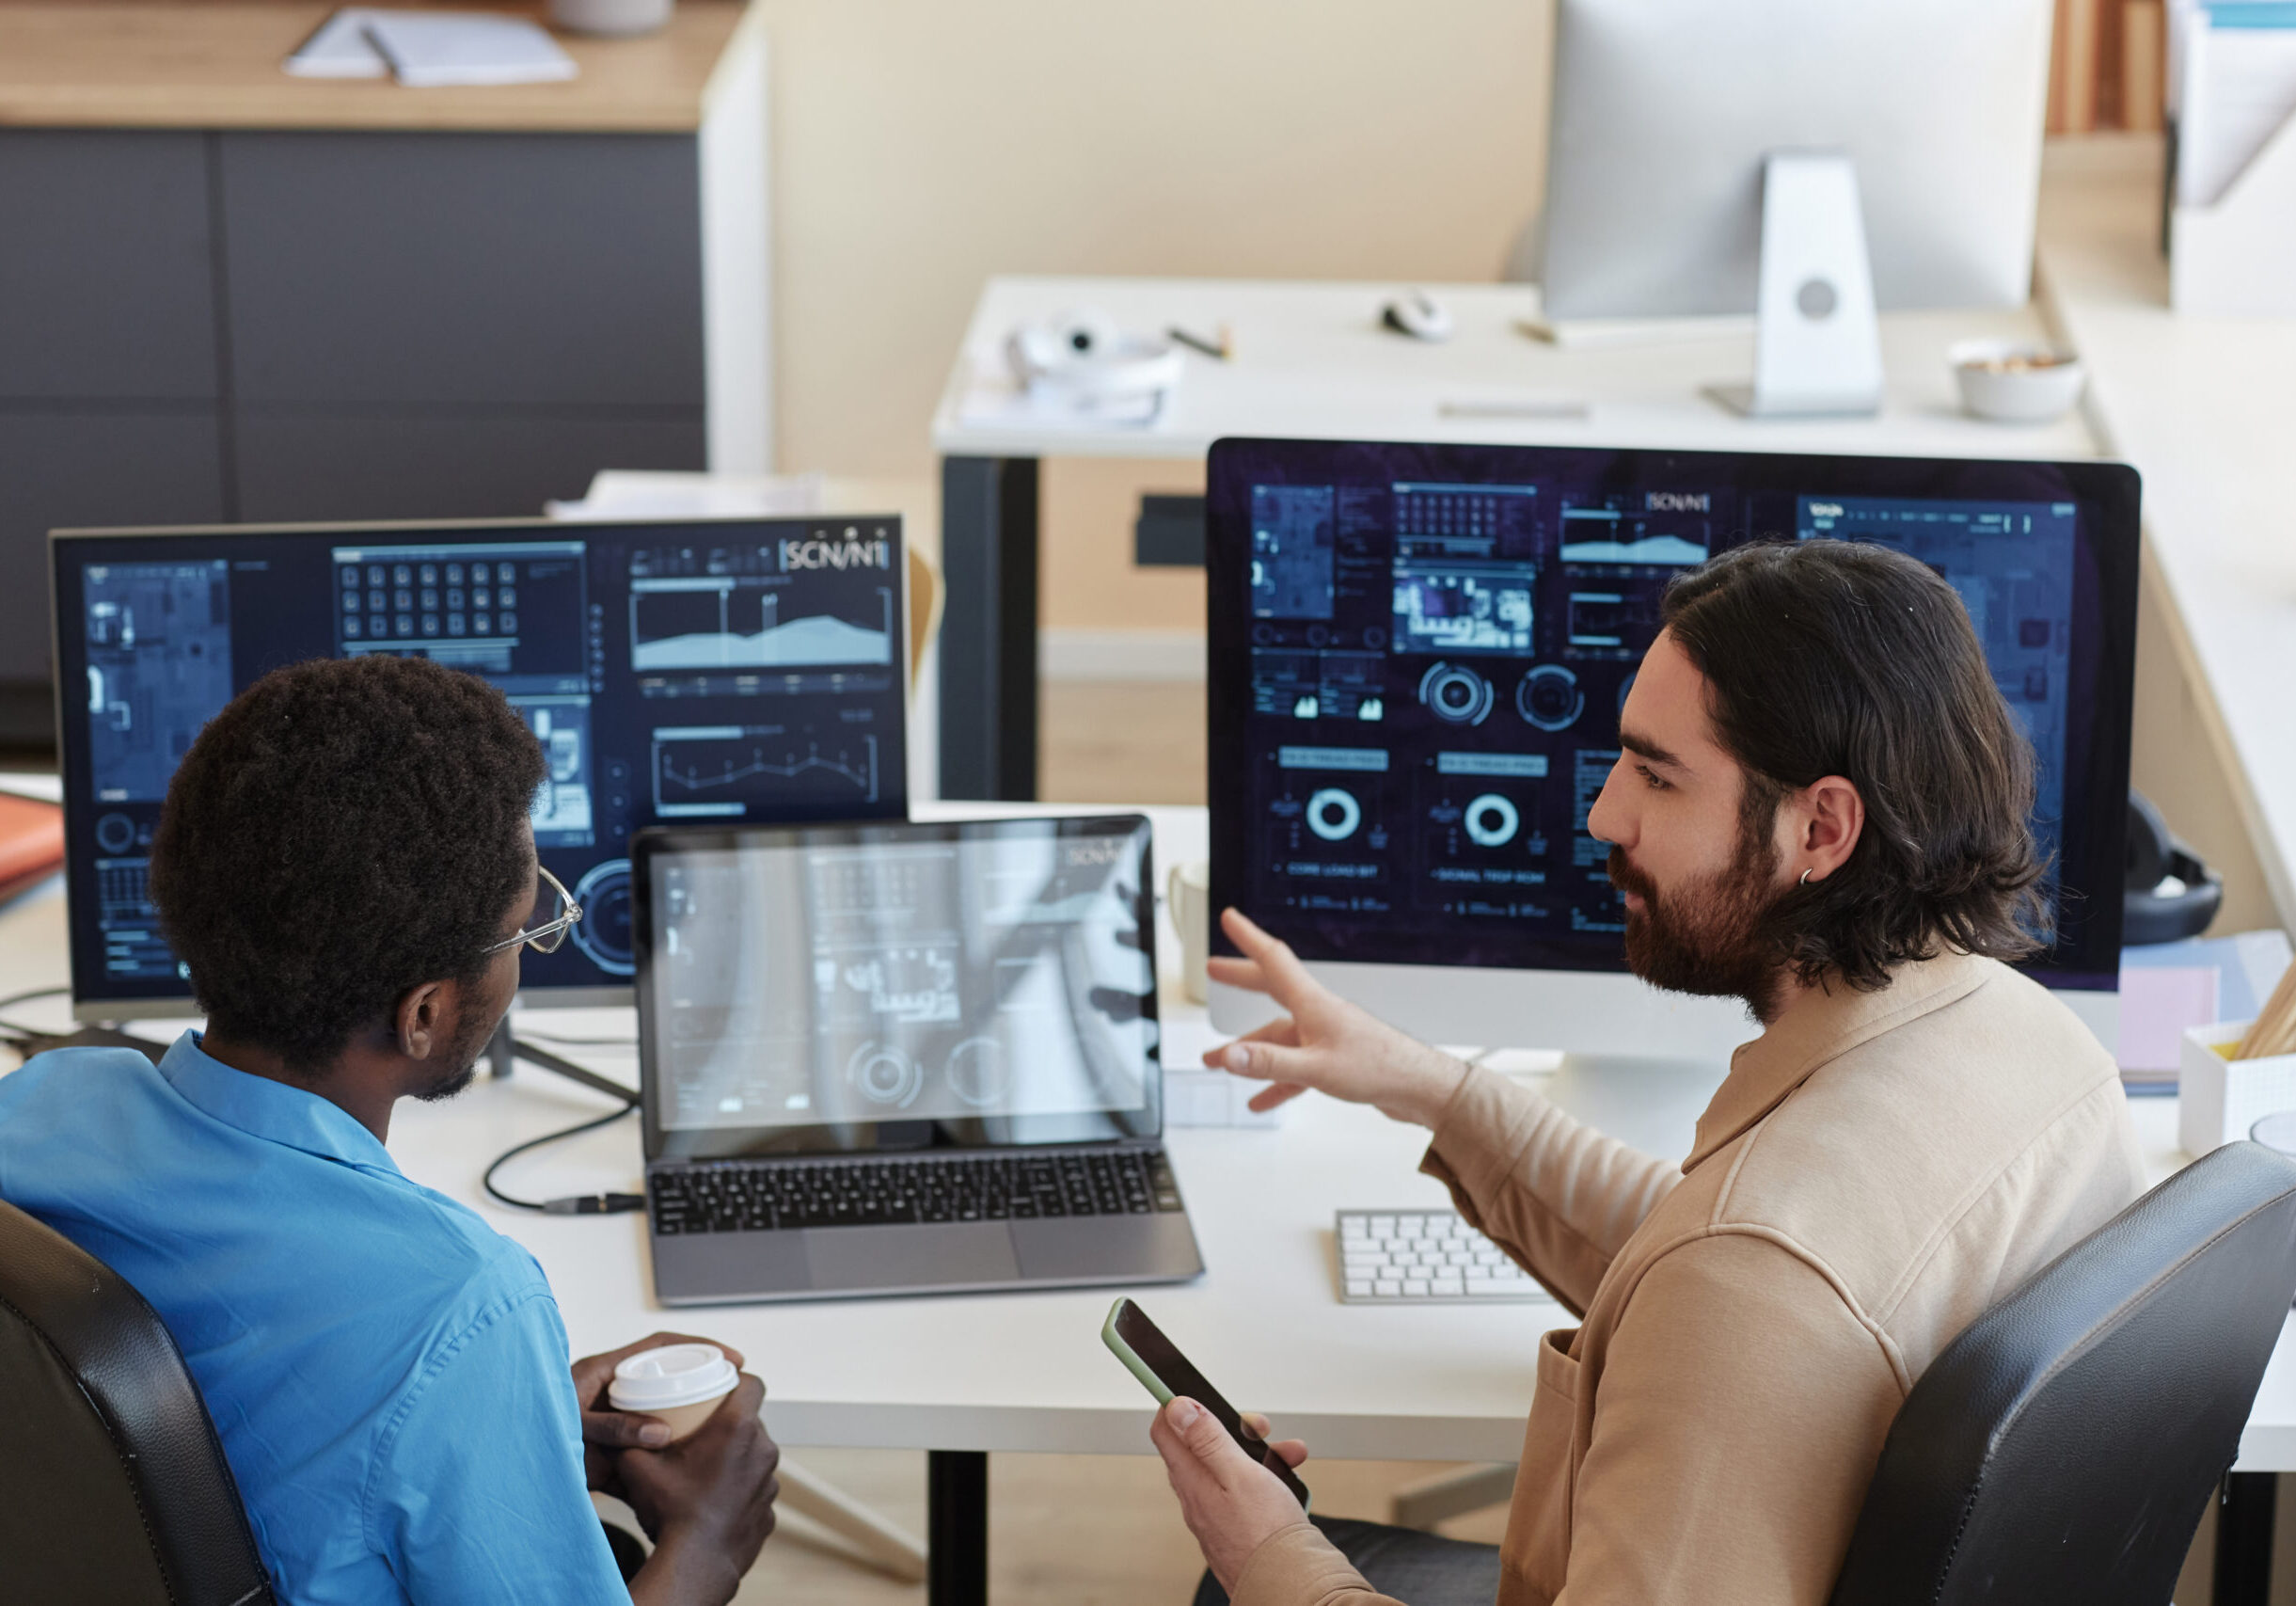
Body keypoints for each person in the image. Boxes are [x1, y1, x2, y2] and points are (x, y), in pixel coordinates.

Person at [1148, 539, 2146, 1606]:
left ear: (1820, 827)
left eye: (1656, 777)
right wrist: (1425, 1086)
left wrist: (1263, 1555)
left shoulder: (1750, 1283)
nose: (1602, 817)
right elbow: (1701, 1269)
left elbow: (1737, 1289)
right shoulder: (2041, 1050)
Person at [0, 655, 780, 1606]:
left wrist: (496, 1419)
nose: (528, 956)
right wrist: (709, 1544)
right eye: (525, 931)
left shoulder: (45, 1103)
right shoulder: (455, 1305)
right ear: (422, 1015)